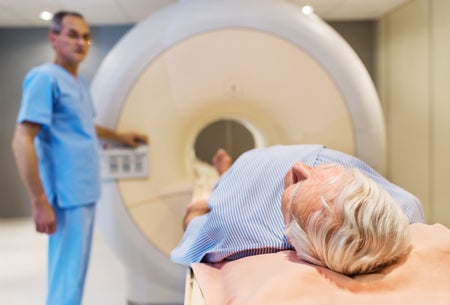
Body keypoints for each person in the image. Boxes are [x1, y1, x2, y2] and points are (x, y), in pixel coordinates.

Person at [11, 11, 147, 305]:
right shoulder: (45, 79)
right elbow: (22, 140)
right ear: (54, 38)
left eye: (85, 36)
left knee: (76, 274)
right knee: (66, 276)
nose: (81, 42)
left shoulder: (78, 82)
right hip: (64, 195)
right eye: (72, 34)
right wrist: (39, 201)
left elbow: (84, 125)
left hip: (84, 191)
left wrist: (121, 137)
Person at [171, 145, 425, 276]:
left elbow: (191, 236)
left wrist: (197, 208)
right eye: (326, 171)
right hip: (283, 155)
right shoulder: (405, 209)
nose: (298, 167)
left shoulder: (237, 232)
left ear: (292, 237)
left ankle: (224, 174)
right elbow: (411, 204)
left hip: (242, 181)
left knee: (219, 193)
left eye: (295, 188)